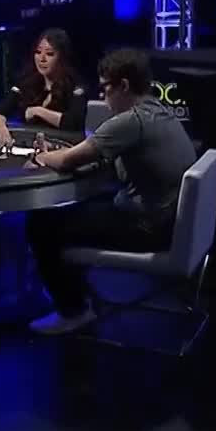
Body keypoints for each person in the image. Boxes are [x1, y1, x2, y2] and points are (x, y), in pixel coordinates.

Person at [21, 49, 198, 335]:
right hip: (166, 221)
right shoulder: (158, 109)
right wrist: (65, 154)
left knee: (41, 225)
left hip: (147, 227)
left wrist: (42, 157)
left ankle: (74, 310)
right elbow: (95, 155)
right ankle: (78, 294)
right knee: (71, 210)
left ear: (124, 86)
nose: (103, 97)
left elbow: (66, 162)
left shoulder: (130, 121)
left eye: (106, 89)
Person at [0, 28, 87, 147]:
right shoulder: (26, 82)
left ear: (62, 58)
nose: (42, 59)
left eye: (49, 54)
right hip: (31, 147)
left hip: (65, 148)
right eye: (38, 52)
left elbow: (73, 123)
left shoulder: (76, 87)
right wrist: (2, 131)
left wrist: (39, 111)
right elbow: (0, 111)